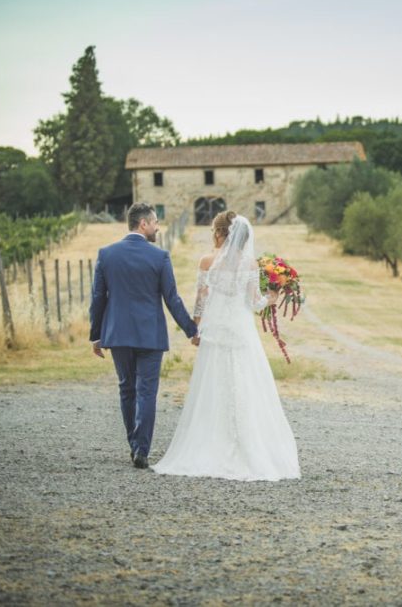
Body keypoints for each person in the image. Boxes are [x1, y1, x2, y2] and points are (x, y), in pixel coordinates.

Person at [151, 211, 301, 481]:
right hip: (241, 332)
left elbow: (200, 299)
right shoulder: (250, 265)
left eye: (214, 232)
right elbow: (253, 303)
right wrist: (272, 298)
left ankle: (211, 441)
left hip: (216, 331)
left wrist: (195, 328)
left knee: (212, 385)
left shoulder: (207, 262)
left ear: (220, 233)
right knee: (246, 382)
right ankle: (248, 444)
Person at [89, 203, 199, 469]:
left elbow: (97, 298)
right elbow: (172, 299)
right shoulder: (159, 257)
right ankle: (142, 449)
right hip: (150, 335)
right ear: (143, 224)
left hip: (118, 334)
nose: (158, 227)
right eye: (155, 222)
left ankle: (133, 445)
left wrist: (96, 335)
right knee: (146, 392)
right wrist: (191, 330)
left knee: (127, 389)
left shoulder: (107, 254)